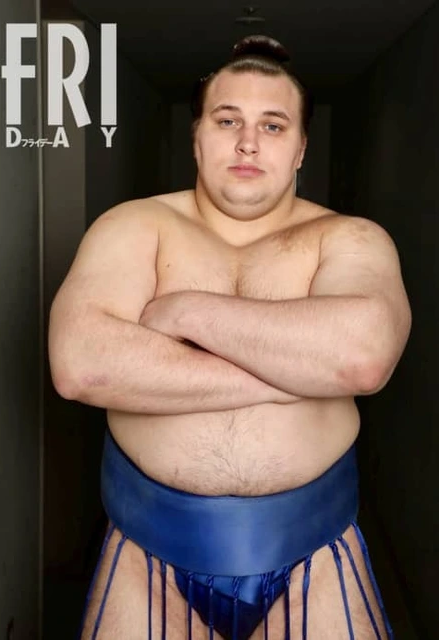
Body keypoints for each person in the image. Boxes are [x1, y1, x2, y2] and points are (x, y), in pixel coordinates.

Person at [48, 35, 411, 640]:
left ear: (301, 148)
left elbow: (362, 358)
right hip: (146, 554)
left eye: (273, 125)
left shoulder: (350, 237)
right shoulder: (135, 224)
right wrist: (295, 372)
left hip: (317, 554)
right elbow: (81, 364)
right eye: (227, 120)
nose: (248, 142)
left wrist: (185, 312)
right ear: (197, 137)